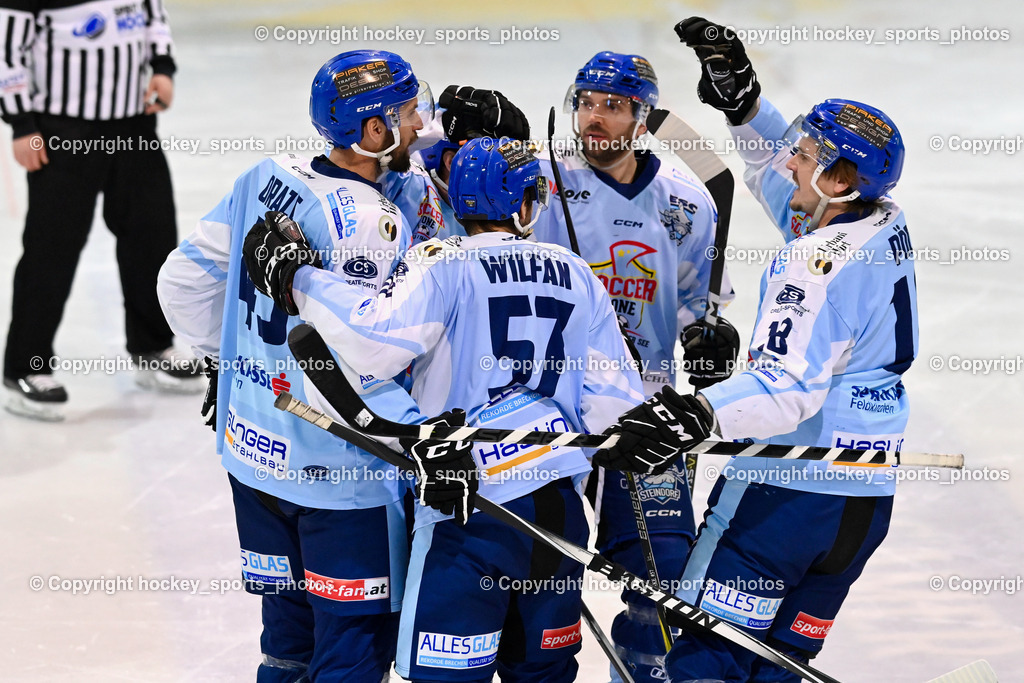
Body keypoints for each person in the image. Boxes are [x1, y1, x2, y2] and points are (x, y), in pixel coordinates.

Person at [243, 136, 682, 682]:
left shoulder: (439, 261)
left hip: (467, 504)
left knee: (447, 675)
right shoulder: (575, 270)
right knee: (543, 673)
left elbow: (375, 342)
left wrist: (298, 278)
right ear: (522, 203)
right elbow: (615, 406)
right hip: (557, 512)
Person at [596, 17, 916, 682]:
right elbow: (781, 175)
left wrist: (687, 415)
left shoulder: (812, 264)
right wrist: (745, 106)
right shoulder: (885, 220)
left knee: (704, 663)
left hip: (787, 492)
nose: (791, 159)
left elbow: (786, 389)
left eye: (807, 153)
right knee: (780, 666)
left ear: (839, 178)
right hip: (865, 501)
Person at [157, 49, 434, 681]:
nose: (420, 124)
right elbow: (368, 354)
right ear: (374, 130)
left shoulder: (265, 175)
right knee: (352, 645)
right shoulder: (370, 223)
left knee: (287, 637)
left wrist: (228, 364)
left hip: (253, 453)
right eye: (411, 112)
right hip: (341, 472)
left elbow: (181, 284)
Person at [530, 50, 739, 681]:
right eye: (586, 104)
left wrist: (711, 337)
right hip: (547, 409)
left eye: (612, 107)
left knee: (662, 586)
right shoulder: (539, 182)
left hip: (644, 413)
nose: (594, 119)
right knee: (538, 581)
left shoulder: (686, 204)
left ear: (641, 117)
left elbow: (701, 309)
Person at [0, 0, 201, 420]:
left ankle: (151, 346)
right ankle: (24, 367)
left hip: (132, 124)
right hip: (63, 129)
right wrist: (21, 125)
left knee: (151, 235)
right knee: (52, 247)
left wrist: (162, 67)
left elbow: (152, 17)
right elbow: (6, 50)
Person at [384, 84, 531, 244]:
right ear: (451, 162)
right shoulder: (406, 185)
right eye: (489, 166)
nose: (503, 181)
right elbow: (371, 145)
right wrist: (439, 120)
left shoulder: (510, 202)